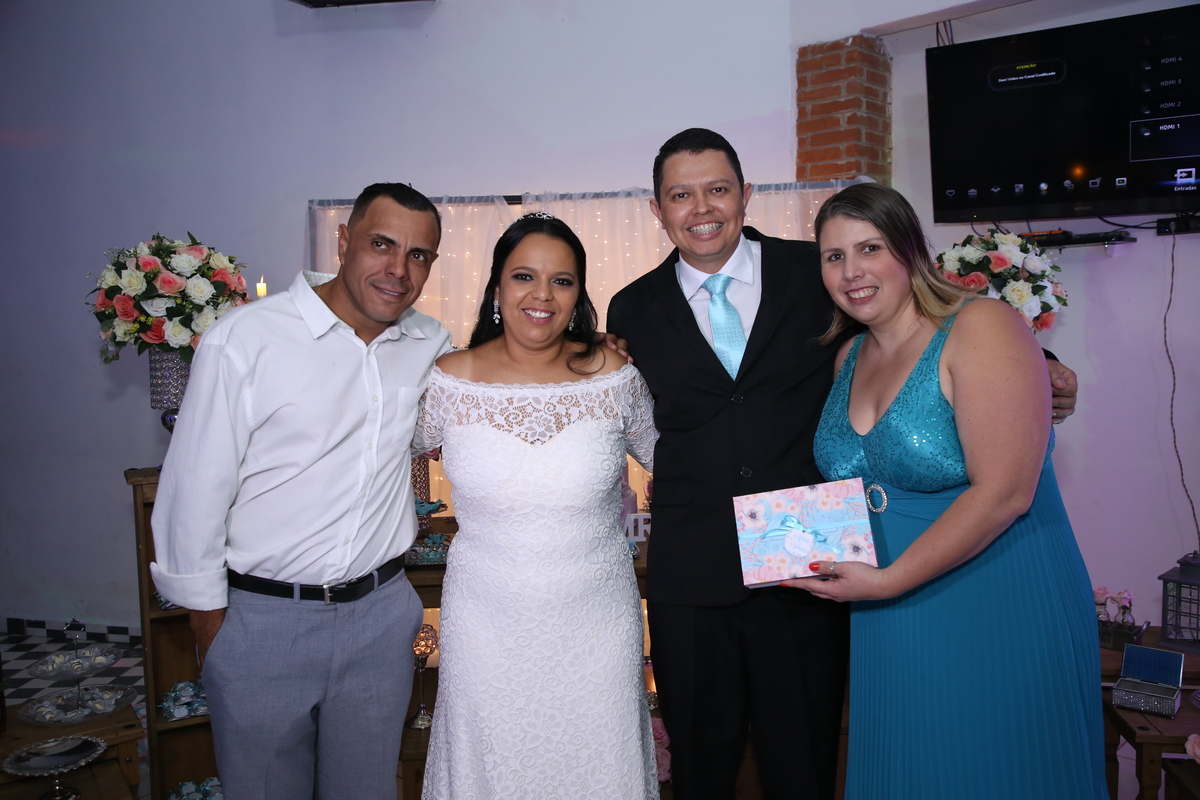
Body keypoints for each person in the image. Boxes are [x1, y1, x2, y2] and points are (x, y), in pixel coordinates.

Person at [605, 128, 1082, 800]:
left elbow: (923, 326)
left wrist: (1043, 367)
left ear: (745, 195)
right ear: (657, 209)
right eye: (681, 195)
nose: (702, 207)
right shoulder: (631, 307)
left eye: (717, 189)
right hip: (694, 573)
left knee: (804, 766)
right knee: (699, 772)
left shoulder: (820, 269)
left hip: (812, 563)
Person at [792, 183, 1105, 798]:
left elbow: (1006, 493)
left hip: (996, 596)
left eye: (870, 248)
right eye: (834, 256)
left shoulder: (982, 324)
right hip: (887, 613)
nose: (852, 271)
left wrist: (887, 582)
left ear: (910, 250)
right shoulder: (848, 357)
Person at [150, 182, 452, 798]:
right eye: (381, 244)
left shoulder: (430, 344)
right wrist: (213, 629)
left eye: (418, 255)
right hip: (263, 622)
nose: (399, 269)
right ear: (343, 241)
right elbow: (193, 490)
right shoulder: (247, 338)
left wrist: (590, 351)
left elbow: (503, 384)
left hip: (381, 618)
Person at [416, 213, 660, 798]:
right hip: (485, 627)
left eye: (562, 281)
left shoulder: (615, 377)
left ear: (578, 296)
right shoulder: (448, 380)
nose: (542, 295)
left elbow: (678, 464)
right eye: (524, 276)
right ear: (497, 287)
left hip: (596, 625)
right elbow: (378, 463)